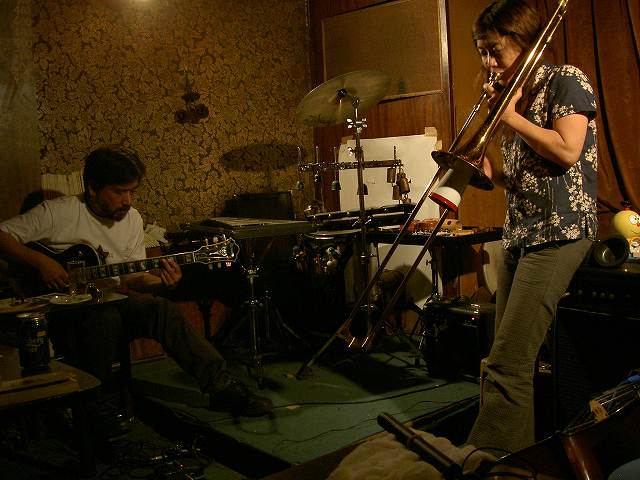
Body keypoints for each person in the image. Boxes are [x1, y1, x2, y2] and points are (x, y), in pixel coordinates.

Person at [0, 146, 273, 428]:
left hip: (110, 301)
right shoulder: (57, 212)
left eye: (132, 192)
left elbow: (131, 279)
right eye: (119, 192)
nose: (127, 201)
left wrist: (162, 284)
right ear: (92, 188)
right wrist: (40, 261)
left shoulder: (132, 219)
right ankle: (97, 407)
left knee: (161, 309)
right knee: (104, 318)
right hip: (60, 310)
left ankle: (222, 387)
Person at [466, 0, 598, 453]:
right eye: (482, 52)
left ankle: (488, 460)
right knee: (502, 357)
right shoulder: (513, 95)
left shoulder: (565, 79)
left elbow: (567, 150)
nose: (488, 62)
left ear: (525, 43)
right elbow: (524, 176)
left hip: (560, 232)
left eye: (495, 50)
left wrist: (511, 118)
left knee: (508, 363)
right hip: (521, 232)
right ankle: (518, 456)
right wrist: (491, 175)